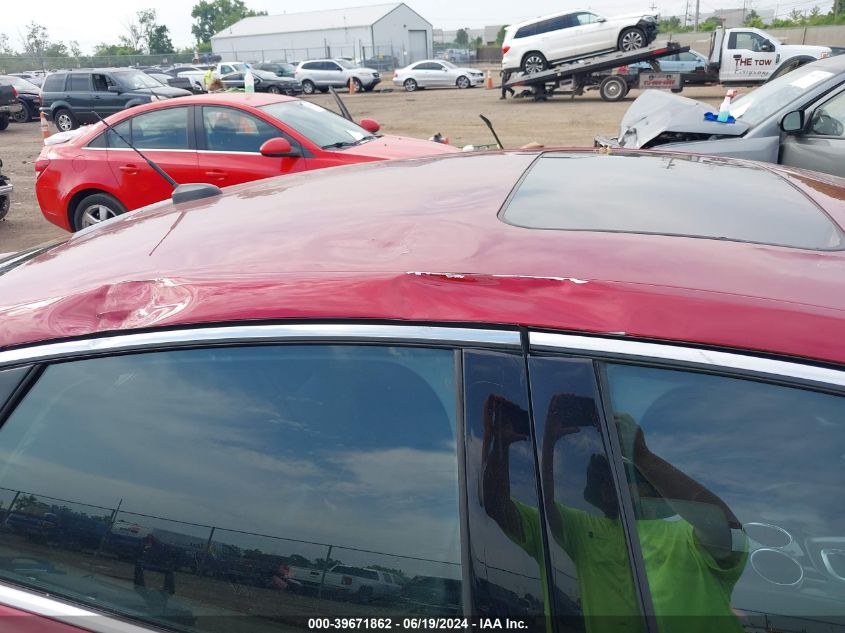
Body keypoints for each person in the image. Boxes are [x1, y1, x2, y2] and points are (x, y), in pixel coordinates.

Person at [481, 393, 747, 633]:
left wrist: (641, 454)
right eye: (603, 479)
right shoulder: (582, 529)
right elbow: (498, 505)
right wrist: (519, 444)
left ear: (649, 488)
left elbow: (723, 528)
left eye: (620, 476)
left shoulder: (687, 535)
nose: (609, 484)